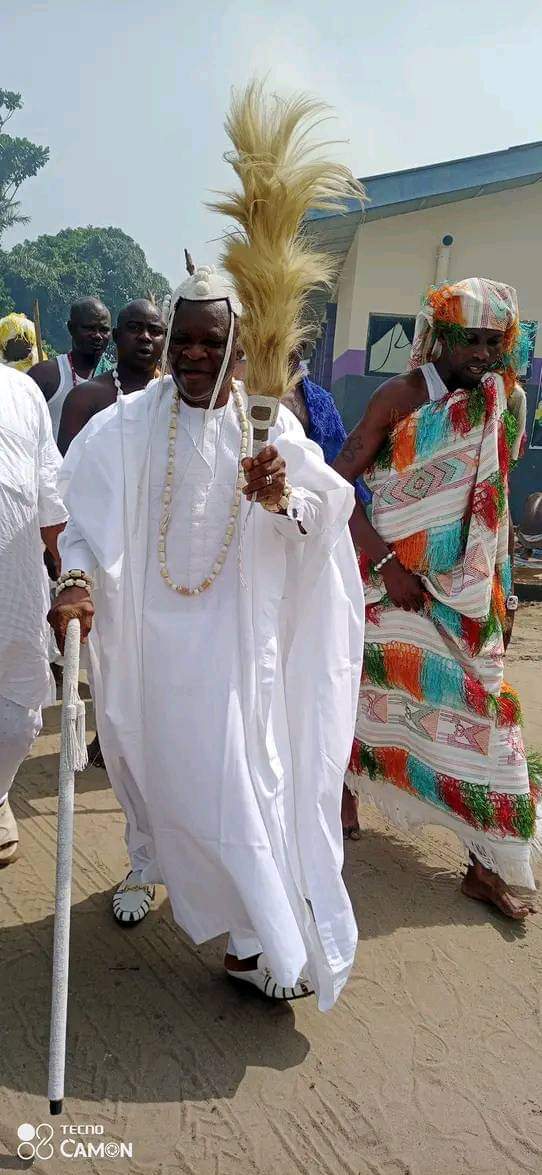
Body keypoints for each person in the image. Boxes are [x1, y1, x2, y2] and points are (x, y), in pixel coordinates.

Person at [48, 266, 363, 1008]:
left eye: (208, 341)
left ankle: (256, 942)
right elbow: (82, 527)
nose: (191, 355)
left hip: (235, 649)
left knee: (245, 788)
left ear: (238, 348)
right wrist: (76, 580)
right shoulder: (122, 427)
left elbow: (328, 514)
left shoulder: (268, 426)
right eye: (181, 340)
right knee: (144, 767)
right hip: (147, 645)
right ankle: (143, 863)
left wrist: (283, 498)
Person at [334, 277, 539, 919]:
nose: (478, 353)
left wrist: (499, 591)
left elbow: (494, 504)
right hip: (393, 595)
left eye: (490, 340)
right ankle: (343, 794)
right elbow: (340, 486)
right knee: (370, 700)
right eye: (466, 338)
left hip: (473, 595)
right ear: (440, 336)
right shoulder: (401, 396)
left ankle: (487, 864)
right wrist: (392, 565)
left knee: (490, 721)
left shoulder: (507, 402)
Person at [0, 365, 67, 865]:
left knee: (16, 714)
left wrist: (73, 575)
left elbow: (49, 491)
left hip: (13, 588)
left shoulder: (22, 390)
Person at [57, 300, 166, 456]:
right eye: (134, 328)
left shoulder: (176, 398)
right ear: (116, 336)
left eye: (155, 331)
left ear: (165, 339)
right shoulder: (84, 398)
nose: (145, 337)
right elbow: (66, 473)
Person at [29, 297, 111, 441]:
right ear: (71, 328)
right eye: (89, 328)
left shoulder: (116, 380)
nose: (98, 336)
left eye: (104, 330)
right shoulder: (46, 375)